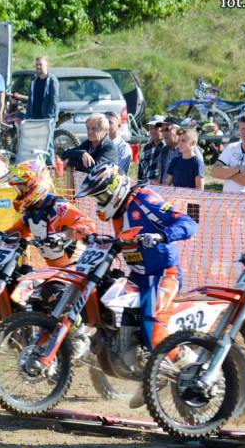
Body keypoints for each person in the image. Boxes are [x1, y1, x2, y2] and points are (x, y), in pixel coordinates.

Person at [76, 163, 197, 408]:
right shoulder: (119, 211)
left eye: (101, 195)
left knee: (152, 326)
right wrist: (93, 239)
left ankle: (196, 370)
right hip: (138, 274)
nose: (100, 201)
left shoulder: (144, 199)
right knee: (104, 302)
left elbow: (186, 222)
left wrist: (162, 236)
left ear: (114, 188)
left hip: (163, 273)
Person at [0, 159, 95, 267]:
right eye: (18, 189)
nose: (19, 193)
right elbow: (19, 230)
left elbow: (88, 225)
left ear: (35, 184)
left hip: (77, 269)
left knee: (51, 284)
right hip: (54, 271)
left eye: (22, 187)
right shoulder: (30, 212)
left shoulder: (60, 207)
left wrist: (63, 235)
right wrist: (2, 235)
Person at [27, 56, 59, 160]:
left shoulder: (51, 80)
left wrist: (49, 117)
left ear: (47, 65)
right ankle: (39, 168)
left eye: (40, 64)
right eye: (37, 65)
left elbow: (54, 101)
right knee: (36, 145)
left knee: (47, 145)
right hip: (34, 118)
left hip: (47, 119)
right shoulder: (34, 80)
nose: (38, 67)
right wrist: (28, 116)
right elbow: (30, 99)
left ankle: (52, 170)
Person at [138, 116, 165, 182]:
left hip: (161, 188)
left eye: (155, 128)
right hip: (145, 187)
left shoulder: (167, 148)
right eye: (150, 128)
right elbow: (140, 172)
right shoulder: (146, 148)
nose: (152, 131)